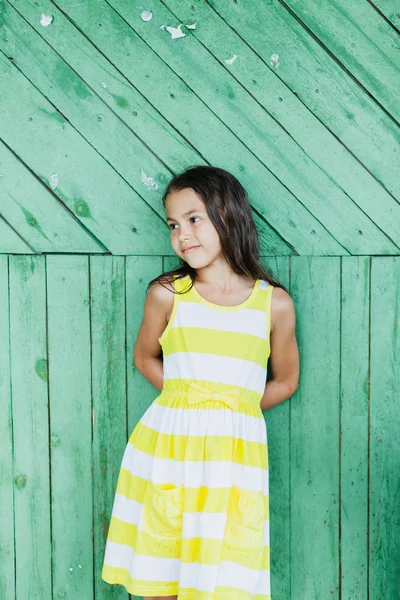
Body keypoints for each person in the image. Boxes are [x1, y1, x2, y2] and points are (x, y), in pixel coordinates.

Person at [101, 165, 300, 599]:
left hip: (233, 457)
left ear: (228, 216)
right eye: (173, 225)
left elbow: (285, 381)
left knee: (225, 575)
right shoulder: (169, 294)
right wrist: (185, 397)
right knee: (162, 567)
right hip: (169, 446)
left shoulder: (274, 304)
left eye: (194, 219)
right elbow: (144, 356)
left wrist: (234, 405)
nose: (182, 235)